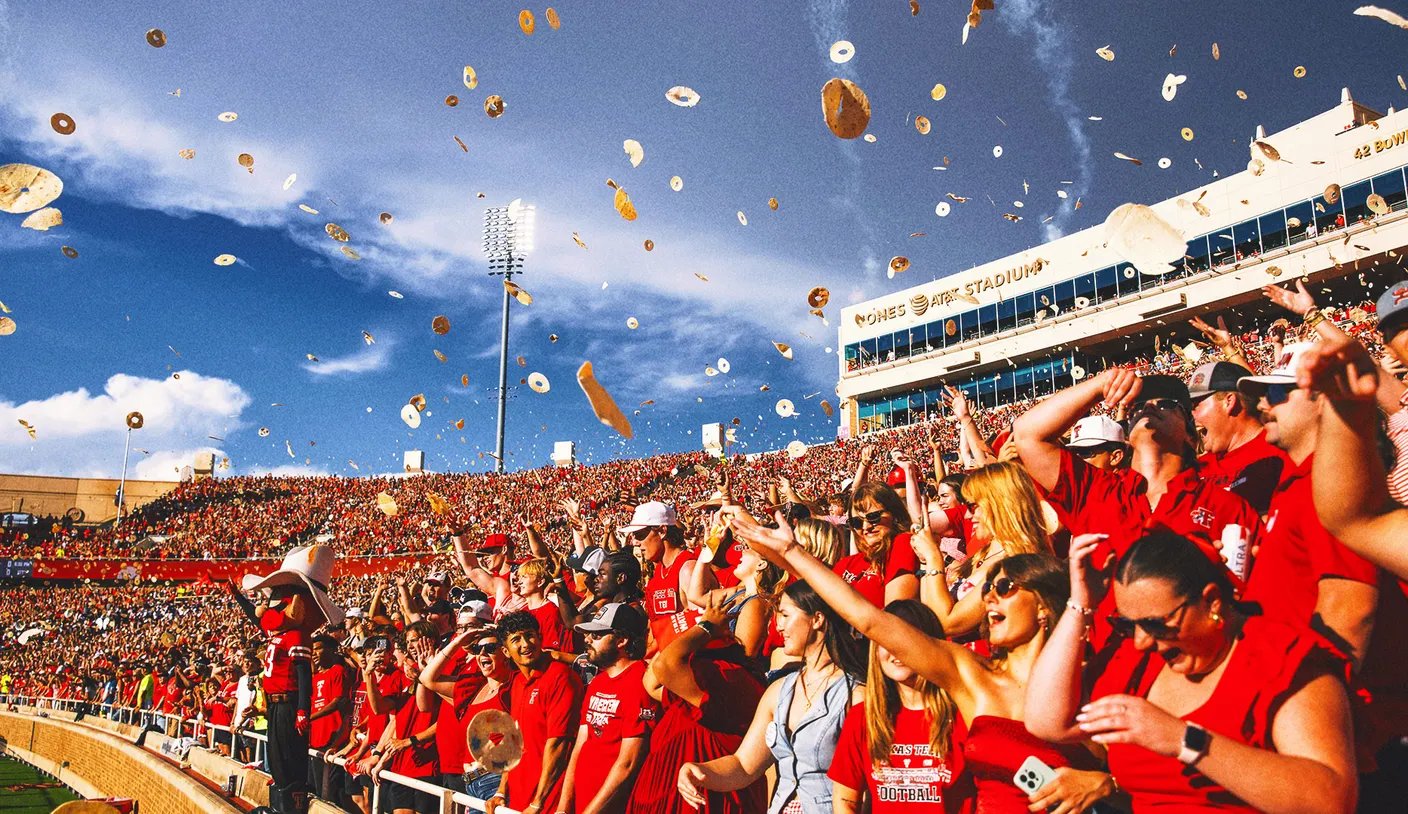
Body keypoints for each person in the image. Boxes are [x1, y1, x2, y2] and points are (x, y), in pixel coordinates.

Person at [731, 513, 1111, 814]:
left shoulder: (1089, 680)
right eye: (987, 588)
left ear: (1044, 606)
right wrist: (792, 552)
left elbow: (1142, 770)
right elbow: (870, 621)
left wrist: (1106, 784)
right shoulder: (972, 673)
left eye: (1004, 587)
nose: (989, 598)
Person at [1025, 530, 1357, 813]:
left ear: (1212, 602)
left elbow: (1331, 799)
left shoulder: (1278, 660)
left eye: (1156, 624)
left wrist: (1185, 740)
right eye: (1128, 625)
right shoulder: (1140, 662)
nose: (1141, 641)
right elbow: (1048, 722)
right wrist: (1081, 604)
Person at [1013, 370, 1263, 645]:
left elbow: (1251, 602)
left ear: (1190, 434)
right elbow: (1027, 434)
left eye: (1166, 404)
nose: (1149, 407)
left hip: (1192, 661)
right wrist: (1101, 384)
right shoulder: (1095, 491)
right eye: (1137, 406)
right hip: (1110, 663)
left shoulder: (1225, 506)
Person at [677, 581, 867, 813]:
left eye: (785, 615)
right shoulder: (779, 691)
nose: (778, 626)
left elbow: (866, 789)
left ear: (817, 619)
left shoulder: (856, 696)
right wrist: (701, 771)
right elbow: (743, 765)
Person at [829, 600, 976, 814]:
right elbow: (845, 801)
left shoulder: (964, 714)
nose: (896, 650)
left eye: (907, 640)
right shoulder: (863, 717)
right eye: (887, 641)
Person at [628, 595, 767, 814]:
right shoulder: (694, 680)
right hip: (673, 796)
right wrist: (683, 633)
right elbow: (652, 683)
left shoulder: (726, 676)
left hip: (702, 799)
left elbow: (665, 666)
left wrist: (705, 627)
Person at [915, 462, 1054, 639]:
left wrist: (933, 558)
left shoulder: (1017, 561)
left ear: (1000, 504)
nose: (967, 515)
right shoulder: (985, 551)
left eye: (972, 506)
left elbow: (946, 624)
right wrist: (925, 561)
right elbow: (928, 615)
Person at [560, 603, 658, 814]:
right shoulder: (598, 682)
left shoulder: (640, 681)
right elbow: (580, 747)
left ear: (621, 640)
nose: (587, 640)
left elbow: (628, 763)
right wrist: (563, 807)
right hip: (583, 803)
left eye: (596, 635)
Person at [487, 610, 583, 814]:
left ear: (540, 637)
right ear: (505, 651)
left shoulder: (560, 677)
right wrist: (501, 791)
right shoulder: (517, 682)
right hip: (519, 800)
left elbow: (559, 745)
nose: (525, 644)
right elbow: (514, 741)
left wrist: (538, 802)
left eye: (529, 635)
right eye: (516, 639)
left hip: (550, 802)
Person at [1187, 358, 1288, 516]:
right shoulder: (1197, 468)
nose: (1191, 415)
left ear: (1229, 401)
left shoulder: (1279, 454)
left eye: (1196, 406)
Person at [625, 501, 700, 648]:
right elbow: (654, 629)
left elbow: (700, 629)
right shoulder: (658, 572)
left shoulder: (688, 569)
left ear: (662, 531)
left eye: (640, 535)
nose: (635, 542)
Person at [835, 483, 919, 607]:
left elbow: (898, 612)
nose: (866, 527)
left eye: (873, 517)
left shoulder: (903, 543)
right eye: (857, 522)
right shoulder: (847, 563)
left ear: (895, 515)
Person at [1064, 415, 1129, 472]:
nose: (1075, 460)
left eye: (1084, 452)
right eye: (1073, 453)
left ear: (1115, 457)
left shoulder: (1130, 481)